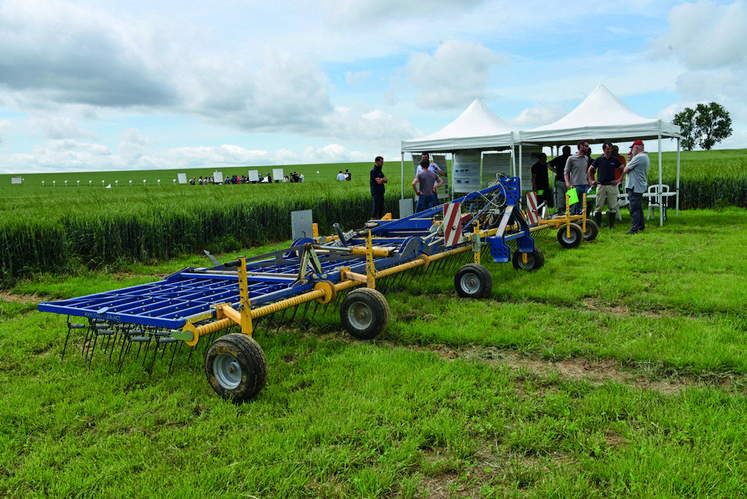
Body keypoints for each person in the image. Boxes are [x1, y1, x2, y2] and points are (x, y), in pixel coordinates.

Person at [588, 142, 624, 228]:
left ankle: (611, 225)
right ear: (604, 149)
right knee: (599, 206)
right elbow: (590, 169)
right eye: (608, 149)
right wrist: (592, 180)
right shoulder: (599, 159)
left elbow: (623, 169)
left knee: (612, 206)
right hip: (601, 185)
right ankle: (598, 225)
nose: (609, 151)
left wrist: (619, 180)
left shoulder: (614, 159)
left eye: (611, 149)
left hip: (612, 185)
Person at [623, 140, 650, 234]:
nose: (631, 151)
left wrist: (629, 159)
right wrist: (629, 158)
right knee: (638, 207)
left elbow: (626, 169)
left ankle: (634, 229)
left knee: (634, 208)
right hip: (639, 185)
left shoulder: (639, 157)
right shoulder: (645, 157)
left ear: (637, 148)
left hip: (635, 186)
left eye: (632, 148)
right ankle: (641, 226)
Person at [564, 141, 591, 216]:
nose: (588, 148)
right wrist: (567, 183)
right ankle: (571, 225)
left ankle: (580, 224)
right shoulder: (571, 158)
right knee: (572, 207)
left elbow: (586, 171)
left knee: (581, 208)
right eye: (586, 146)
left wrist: (589, 180)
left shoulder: (586, 158)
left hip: (584, 185)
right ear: (581, 146)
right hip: (574, 186)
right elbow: (566, 172)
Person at [549, 145, 571, 214]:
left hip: (559, 180)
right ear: (568, 151)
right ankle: (570, 210)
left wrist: (556, 171)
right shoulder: (571, 158)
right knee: (570, 197)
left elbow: (548, 164)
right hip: (569, 181)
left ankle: (561, 210)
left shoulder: (558, 158)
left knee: (560, 196)